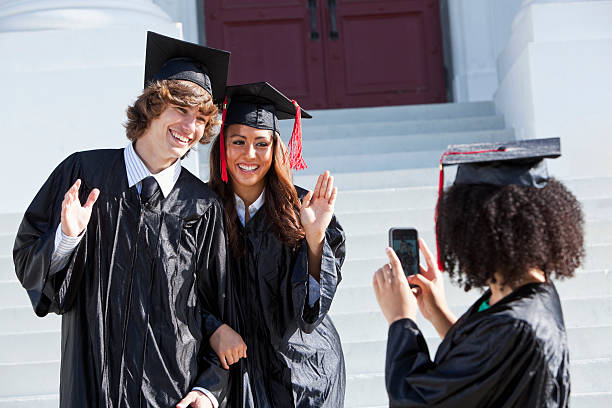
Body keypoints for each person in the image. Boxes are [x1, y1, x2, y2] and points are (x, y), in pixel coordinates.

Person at [13, 32, 239, 407]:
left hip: (171, 390)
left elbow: (219, 309)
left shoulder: (201, 206)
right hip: (92, 382)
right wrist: (67, 238)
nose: (190, 126)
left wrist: (208, 389)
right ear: (153, 105)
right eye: (181, 110)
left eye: (201, 118)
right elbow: (28, 263)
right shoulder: (84, 174)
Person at [373, 138, 584, 407]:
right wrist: (437, 313)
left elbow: (420, 401)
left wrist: (401, 320)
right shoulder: (523, 293)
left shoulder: (517, 323)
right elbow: (481, 370)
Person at [207, 82, 346, 407]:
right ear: (222, 147)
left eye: (261, 143)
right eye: (238, 141)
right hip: (231, 369)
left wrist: (314, 237)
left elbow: (311, 316)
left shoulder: (303, 209)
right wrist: (214, 327)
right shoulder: (202, 210)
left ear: (276, 149)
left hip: (302, 372)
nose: (249, 154)